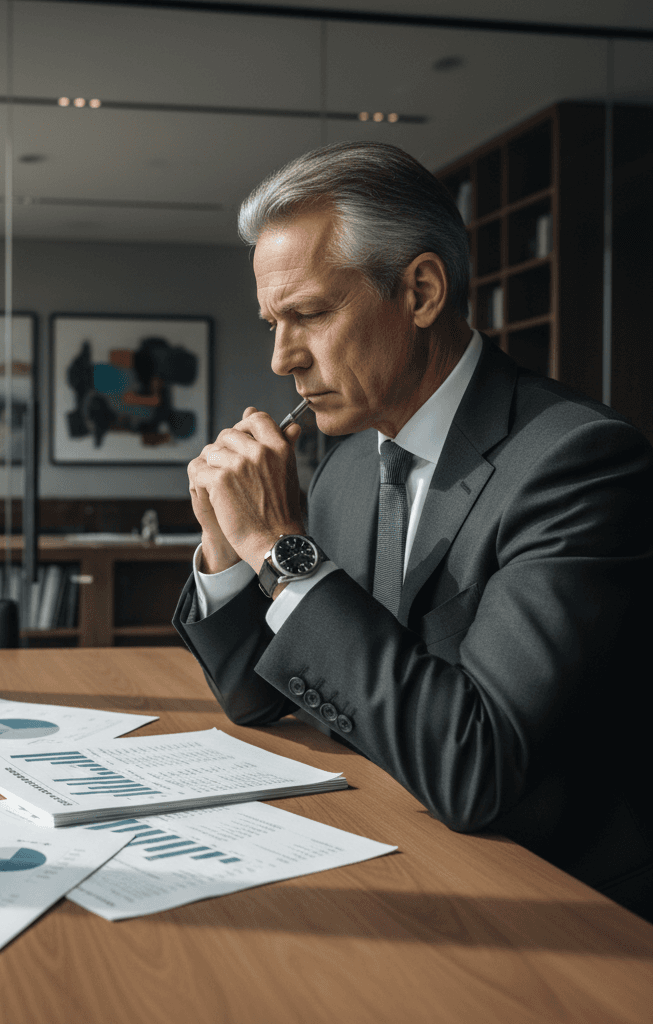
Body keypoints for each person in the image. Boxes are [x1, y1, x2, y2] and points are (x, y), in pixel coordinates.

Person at [173, 141, 652, 919]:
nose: (281, 358)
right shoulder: (350, 466)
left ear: (421, 291)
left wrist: (278, 549)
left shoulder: (578, 461)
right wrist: (229, 547)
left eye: (310, 314)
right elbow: (257, 697)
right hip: (400, 854)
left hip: (562, 903)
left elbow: (476, 769)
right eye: (272, 321)